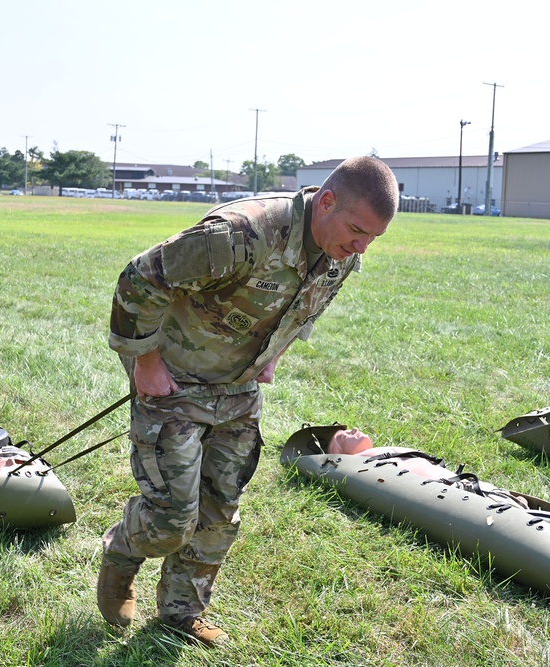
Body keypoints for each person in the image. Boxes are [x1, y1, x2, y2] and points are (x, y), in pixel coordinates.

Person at [98, 157, 399, 645]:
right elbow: (142, 278)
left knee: (220, 510)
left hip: (237, 390)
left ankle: (180, 611)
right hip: (173, 380)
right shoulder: (241, 233)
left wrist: (272, 353)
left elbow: (307, 303)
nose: (361, 247)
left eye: (373, 239)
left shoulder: (338, 250)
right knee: (173, 520)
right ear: (326, 202)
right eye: (357, 230)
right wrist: (146, 362)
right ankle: (121, 554)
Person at [325, 427, 550, 615]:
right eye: (342, 437)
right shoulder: (358, 468)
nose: (351, 431)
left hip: (478, 491)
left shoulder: (388, 450)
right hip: (463, 501)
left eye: (349, 429)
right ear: (335, 453)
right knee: (535, 541)